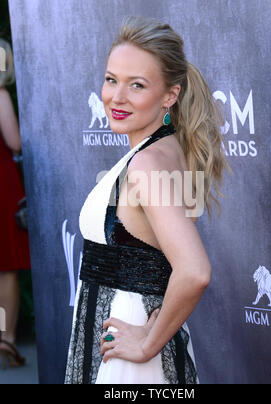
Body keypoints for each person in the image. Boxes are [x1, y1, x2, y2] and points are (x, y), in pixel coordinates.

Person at [65, 16, 231, 384]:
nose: (116, 97)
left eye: (136, 85)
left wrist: (145, 345)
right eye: (111, 80)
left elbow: (194, 271)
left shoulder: (147, 164)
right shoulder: (164, 148)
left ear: (170, 95)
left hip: (127, 350)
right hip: (132, 335)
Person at [0, 38, 31, 369]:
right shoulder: (0, 95)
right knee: (5, 266)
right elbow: (14, 141)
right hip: (1, 182)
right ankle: (6, 337)